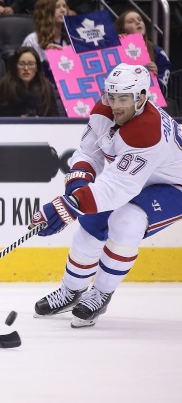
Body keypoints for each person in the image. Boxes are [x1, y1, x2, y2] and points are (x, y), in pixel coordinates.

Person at [30, 63, 182, 328]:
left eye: (124, 98)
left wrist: (70, 206)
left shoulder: (148, 130)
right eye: (111, 96)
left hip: (175, 186)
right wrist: (74, 192)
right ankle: (71, 290)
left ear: (142, 98)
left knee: (127, 221)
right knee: (92, 223)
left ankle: (100, 293)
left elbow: (118, 188)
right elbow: (89, 152)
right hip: (141, 179)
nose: (116, 105)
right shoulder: (105, 109)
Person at [0, 46, 58, 117]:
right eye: (21, 64)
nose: (26, 68)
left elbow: (55, 118)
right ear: (15, 66)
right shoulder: (2, 88)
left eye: (31, 64)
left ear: (37, 68)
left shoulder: (46, 88)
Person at [114, 10, 171, 95]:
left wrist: (154, 78)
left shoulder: (157, 52)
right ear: (122, 29)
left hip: (147, 103)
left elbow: (163, 91)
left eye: (140, 20)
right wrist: (113, 45)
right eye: (131, 21)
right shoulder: (111, 50)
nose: (137, 22)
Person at [22, 0, 70, 82]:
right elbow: (26, 72)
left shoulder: (72, 39)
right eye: (57, 7)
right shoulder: (32, 40)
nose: (63, 10)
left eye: (64, 6)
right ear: (46, 11)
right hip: (42, 90)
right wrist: (46, 62)